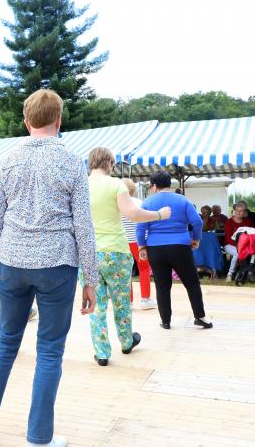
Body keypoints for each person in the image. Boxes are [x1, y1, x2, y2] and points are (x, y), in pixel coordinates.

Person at [0, 89, 97, 447]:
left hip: (12, 261)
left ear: (27, 121)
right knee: (50, 350)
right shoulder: (73, 162)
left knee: (6, 340)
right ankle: (39, 440)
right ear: (59, 120)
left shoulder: (7, 161)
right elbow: (83, 226)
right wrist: (91, 278)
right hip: (58, 263)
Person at [83, 150, 169, 366]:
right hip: (116, 251)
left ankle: (102, 353)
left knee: (97, 305)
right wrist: (160, 215)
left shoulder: (81, 185)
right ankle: (126, 341)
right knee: (121, 301)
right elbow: (133, 214)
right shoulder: (116, 185)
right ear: (109, 163)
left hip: (88, 253)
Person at [136, 170, 212, 330]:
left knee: (162, 286)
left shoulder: (147, 203)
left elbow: (140, 227)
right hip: (180, 246)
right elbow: (197, 222)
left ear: (154, 186)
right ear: (169, 184)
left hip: (155, 248)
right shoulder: (182, 200)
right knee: (192, 283)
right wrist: (196, 239)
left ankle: (165, 321)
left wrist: (142, 246)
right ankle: (200, 317)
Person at [121, 178, 156, 309]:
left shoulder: (117, 204)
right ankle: (145, 299)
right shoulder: (140, 203)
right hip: (139, 242)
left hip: (123, 242)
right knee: (144, 269)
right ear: (133, 189)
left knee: (125, 272)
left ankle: (128, 302)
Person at [224, 201, 255, 282]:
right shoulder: (229, 222)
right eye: (237, 210)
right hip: (229, 245)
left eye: (241, 211)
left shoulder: (247, 221)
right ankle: (230, 274)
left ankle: (249, 272)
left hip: (244, 245)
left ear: (245, 212)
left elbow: (253, 232)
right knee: (238, 253)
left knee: (254, 250)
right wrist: (239, 246)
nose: (238, 212)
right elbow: (228, 238)